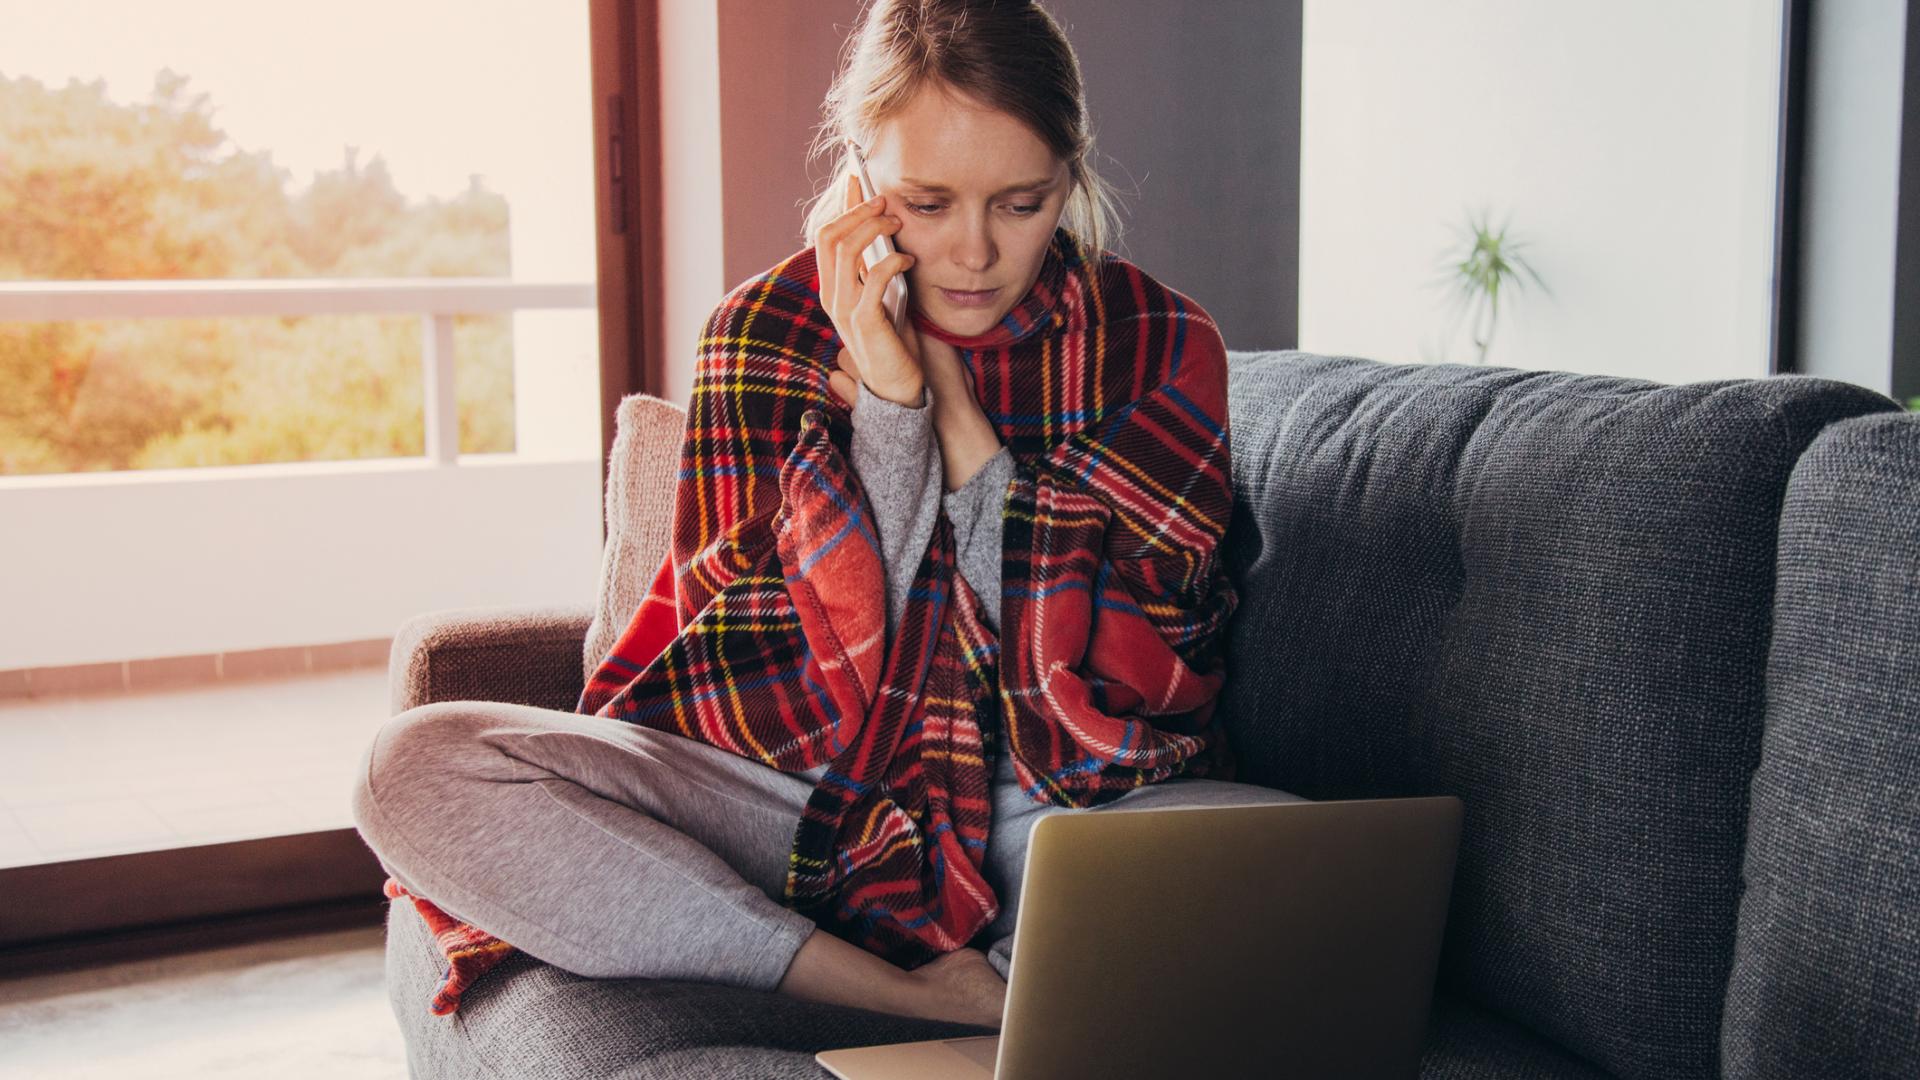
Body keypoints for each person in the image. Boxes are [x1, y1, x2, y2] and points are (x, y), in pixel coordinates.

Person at [350, 0, 1305, 1033]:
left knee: (1288, 861)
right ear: (858, 179)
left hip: (1045, 798)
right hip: (792, 790)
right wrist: (890, 412)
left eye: (1021, 204)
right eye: (926, 204)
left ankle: (980, 962)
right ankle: (897, 987)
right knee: (409, 768)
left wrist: (952, 408)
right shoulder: (760, 331)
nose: (973, 254)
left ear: (1071, 179)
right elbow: (803, 658)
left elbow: (1109, 683)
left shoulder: (1159, 343)